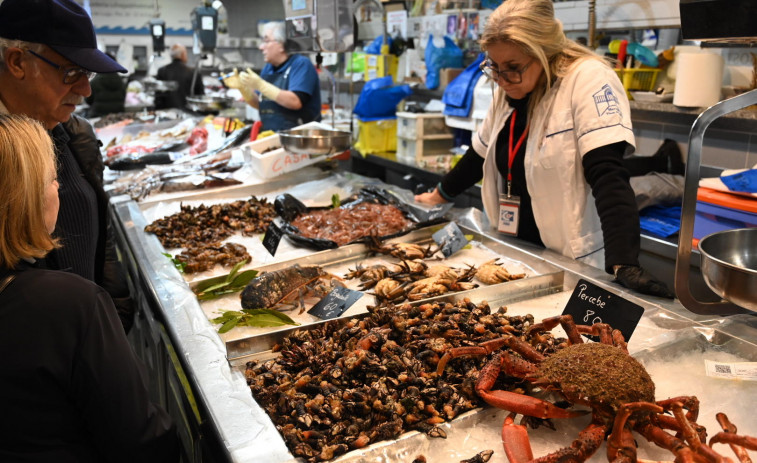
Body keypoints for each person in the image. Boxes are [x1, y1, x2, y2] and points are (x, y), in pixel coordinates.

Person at [415, 0, 672, 298]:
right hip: (516, 250)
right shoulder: (509, 86)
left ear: (544, 52)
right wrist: (437, 196)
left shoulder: (587, 78)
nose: (501, 79)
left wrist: (624, 262)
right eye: (494, 67)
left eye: (513, 68)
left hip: (569, 256)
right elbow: (479, 154)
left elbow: (608, 174)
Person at [0, 113, 179, 462]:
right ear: (25, 197)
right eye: (53, 179)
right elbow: (141, 440)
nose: (60, 189)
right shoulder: (71, 305)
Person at [0, 0, 136, 331]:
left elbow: (101, 238)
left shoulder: (77, 136)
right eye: (71, 72)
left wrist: (113, 315)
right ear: (18, 62)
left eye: (86, 74)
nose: (86, 89)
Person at [223, 21, 321, 131]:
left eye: (266, 41)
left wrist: (261, 85)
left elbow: (295, 102)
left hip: (299, 138)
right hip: (271, 134)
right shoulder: (268, 68)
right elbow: (261, 105)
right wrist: (243, 89)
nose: (261, 47)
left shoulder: (301, 64)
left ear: (281, 44)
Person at [156, 43, 204, 110]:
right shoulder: (193, 72)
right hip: (188, 112)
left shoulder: (162, 71)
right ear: (183, 55)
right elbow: (200, 96)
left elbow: (158, 96)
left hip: (167, 112)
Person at [85, 52, 127, 117]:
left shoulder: (95, 81)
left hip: (97, 116)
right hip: (117, 116)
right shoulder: (120, 81)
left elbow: (88, 99)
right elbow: (123, 98)